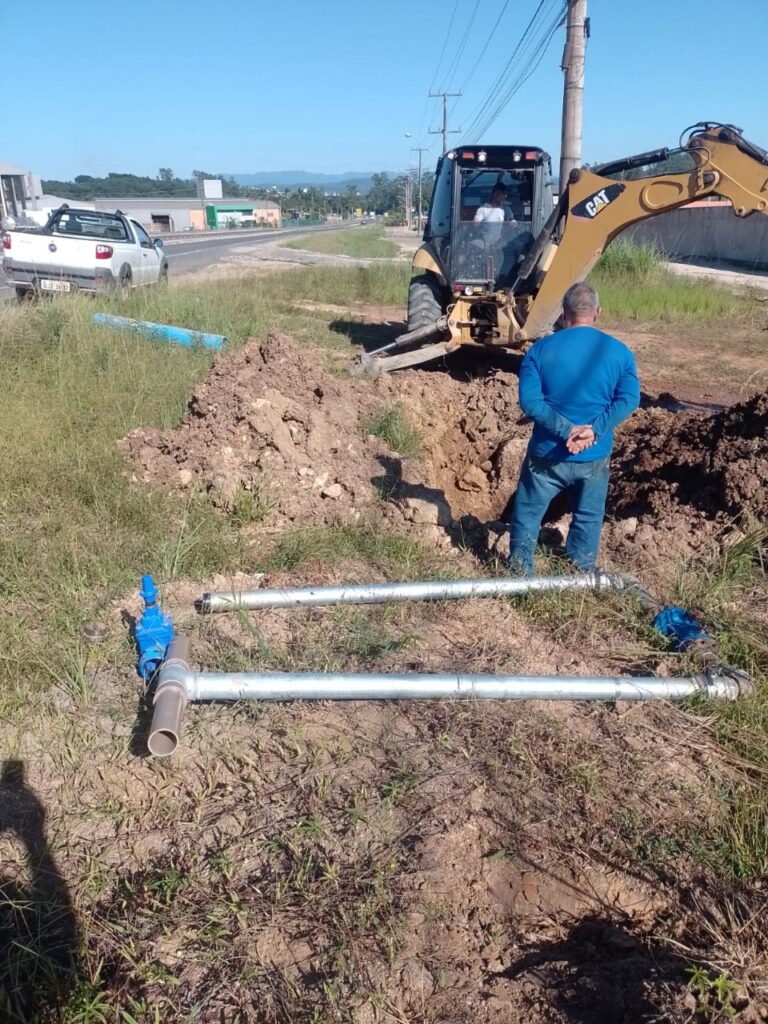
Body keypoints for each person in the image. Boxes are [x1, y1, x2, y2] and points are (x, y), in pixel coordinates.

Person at [508, 282, 640, 575]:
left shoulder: (539, 351)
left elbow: (530, 402)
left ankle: (519, 575)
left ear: (563, 314)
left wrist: (566, 429)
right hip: (594, 454)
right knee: (588, 517)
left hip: (547, 455)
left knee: (528, 515)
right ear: (598, 313)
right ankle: (580, 575)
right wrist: (594, 430)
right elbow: (630, 398)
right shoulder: (620, 353)